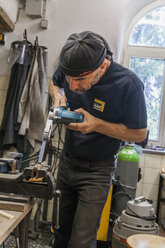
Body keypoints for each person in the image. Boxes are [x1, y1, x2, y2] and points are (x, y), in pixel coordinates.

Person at [50, 31, 147, 248]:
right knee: (61, 235)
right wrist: (57, 95)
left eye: (80, 80)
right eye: (69, 79)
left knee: (81, 242)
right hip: (67, 162)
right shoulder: (71, 66)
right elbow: (55, 82)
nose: (73, 86)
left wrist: (97, 125)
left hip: (97, 172)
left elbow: (140, 134)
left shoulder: (129, 85)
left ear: (102, 67)